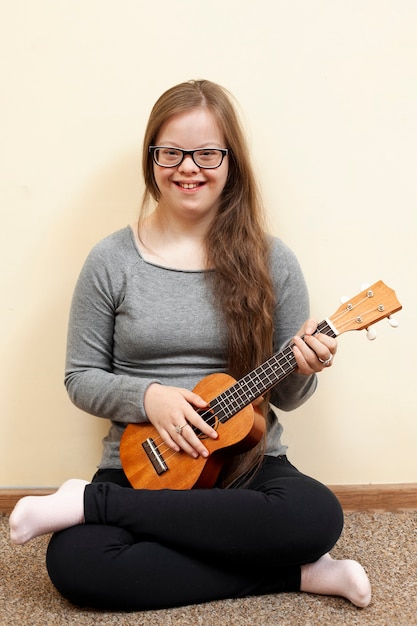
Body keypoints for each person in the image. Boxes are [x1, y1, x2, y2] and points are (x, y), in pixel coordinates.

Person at [9, 79, 371, 611]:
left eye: (207, 152)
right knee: (77, 564)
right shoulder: (111, 261)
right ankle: (299, 575)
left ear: (231, 162)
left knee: (317, 516)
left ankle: (91, 504)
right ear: (150, 158)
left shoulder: (274, 262)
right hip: (142, 464)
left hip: (244, 462)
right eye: (171, 151)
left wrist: (304, 366)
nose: (188, 166)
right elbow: (80, 376)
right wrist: (150, 396)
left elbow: (288, 398)